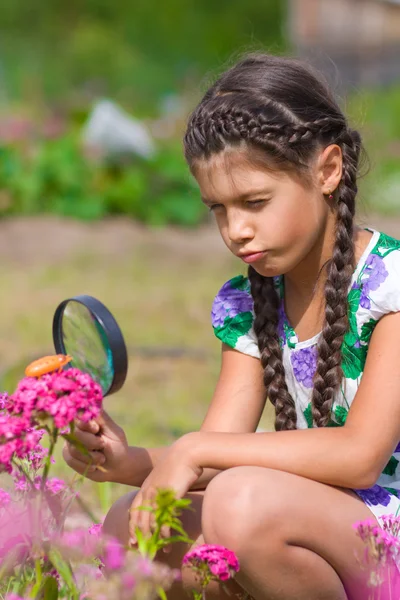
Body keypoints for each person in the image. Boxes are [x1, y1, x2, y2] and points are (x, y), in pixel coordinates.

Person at [63, 52, 400, 600]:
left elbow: (361, 457)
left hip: (385, 537)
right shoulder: (248, 301)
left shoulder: (392, 286)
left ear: (327, 171)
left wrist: (195, 451)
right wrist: (127, 463)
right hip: (309, 516)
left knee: (239, 506)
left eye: (255, 201)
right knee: (131, 528)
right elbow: (220, 448)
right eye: (218, 208)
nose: (236, 230)